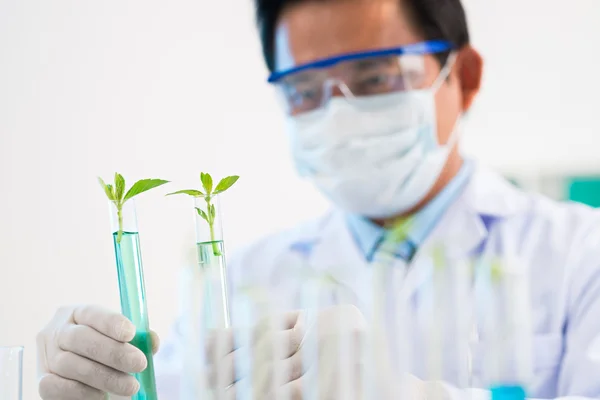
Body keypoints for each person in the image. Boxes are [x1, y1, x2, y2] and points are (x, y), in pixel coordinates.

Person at [36, 0, 600, 398]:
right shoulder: (247, 277)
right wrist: (97, 381)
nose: (339, 112)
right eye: (305, 91)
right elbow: (174, 387)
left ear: (465, 77)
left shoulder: (580, 254)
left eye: (376, 78)